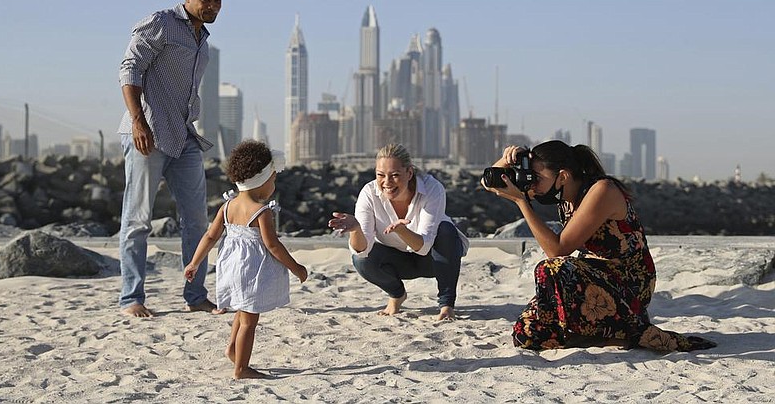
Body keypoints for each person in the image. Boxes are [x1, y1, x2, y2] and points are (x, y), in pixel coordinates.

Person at [483, 140, 716, 352]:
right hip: (591, 277)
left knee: (550, 268)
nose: (532, 184)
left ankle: (628, 329)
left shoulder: (602, 190)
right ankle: (608, 337)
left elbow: (557, 250)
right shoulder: (562, 192)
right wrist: (508, 160)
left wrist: (521, 202)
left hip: (629, 282)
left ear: (562, 176)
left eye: (536, 178)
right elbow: (491, 184)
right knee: (527, 334)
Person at [117, 0, 223, 318]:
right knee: (138, 220)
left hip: (184, 136)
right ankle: (131, 298)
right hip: (147, 133)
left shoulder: (202, 39)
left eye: (217, 2)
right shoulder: (161, 23)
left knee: (197, 221)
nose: (211, 7)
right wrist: (138, 122)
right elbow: (129, 69)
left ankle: (195, 296)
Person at [184, 140, 308, 379]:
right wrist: (296, 268)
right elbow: (273, 246)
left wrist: (194, 262)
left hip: (231, 267)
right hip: (252, 271)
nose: (273, 184)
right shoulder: (262, 212)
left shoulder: (227, 205)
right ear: (261, 181)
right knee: (250, 321)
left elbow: (210, 236)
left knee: (241, 312)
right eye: (273, 179)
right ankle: (241, 368)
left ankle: (232, 349)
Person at [329, 143, 469, 321]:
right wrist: (355, 229)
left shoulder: (432, 188)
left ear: (409, 173)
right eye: (381, 175)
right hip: (397, 261)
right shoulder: (369, 193)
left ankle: (447, 305)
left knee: (447, 230)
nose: (387, 183)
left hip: (434, 259)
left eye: (395, 175)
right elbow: (362, 250)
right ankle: (397, 295)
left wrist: (402, 230)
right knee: (361, 260)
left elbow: (424, 246)